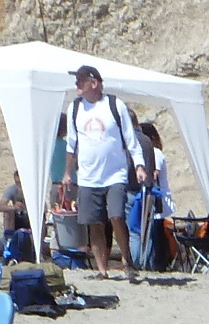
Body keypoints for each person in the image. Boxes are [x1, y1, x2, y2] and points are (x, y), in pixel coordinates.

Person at [64, 64, 151, 281]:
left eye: (81, 79)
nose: (77, 84)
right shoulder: (74, 108)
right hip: (87, 176)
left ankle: (127, 261)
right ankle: (101, 270)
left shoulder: (115, 105)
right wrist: (67, 172)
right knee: (94, 222)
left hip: (115, 174)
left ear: (93, 83)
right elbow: (71, 144)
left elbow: (130, 139)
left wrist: (139, 165)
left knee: (116, 216)